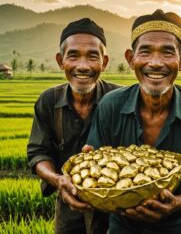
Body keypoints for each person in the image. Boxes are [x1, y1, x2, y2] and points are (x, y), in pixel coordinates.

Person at [85, 10, 181, 233]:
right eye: (145, 52)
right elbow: (97, 164)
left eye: (167, 53)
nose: (155, 63)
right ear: (131, 59)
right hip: (123, 228)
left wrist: (178, 203)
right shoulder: (110, 106)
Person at [27, 18, 121, 234]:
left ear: (104, 62)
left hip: (115, 210)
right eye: (73, 55)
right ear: (61, 61)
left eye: (92, 56)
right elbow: (38, 153)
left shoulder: (120, 100)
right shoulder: (49, 101)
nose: (83, 66)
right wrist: (58, 180)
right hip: (68, 207)